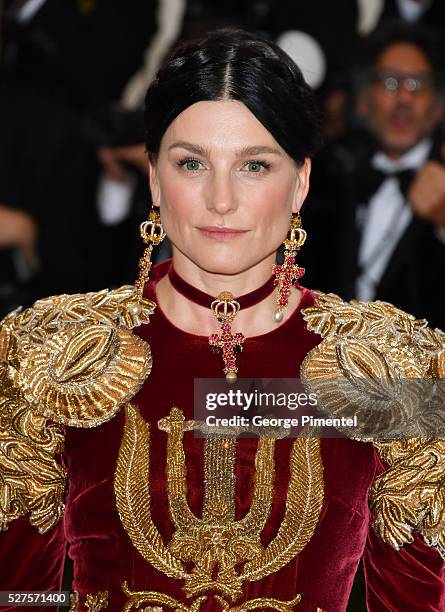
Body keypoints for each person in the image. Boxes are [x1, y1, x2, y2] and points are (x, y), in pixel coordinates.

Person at [1, 29, 444, 612]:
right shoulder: (49, 355)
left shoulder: (391, 363)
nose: (222, 200)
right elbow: (20, 595)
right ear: (155, 177)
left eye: (255, 165)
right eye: (192, 163)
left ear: (301, 182)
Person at [304, 21, 445, 330]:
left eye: (418, 84)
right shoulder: (327, 175)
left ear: (439, 106)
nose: (404, 100)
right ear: (364, 101)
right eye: (390, 83)